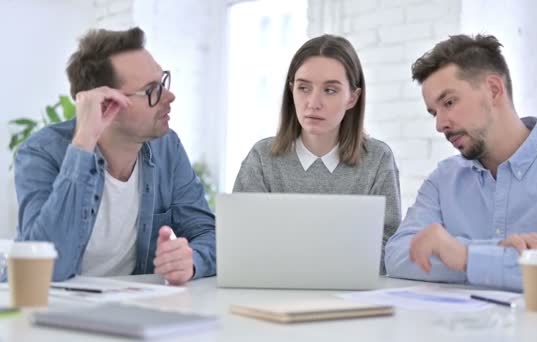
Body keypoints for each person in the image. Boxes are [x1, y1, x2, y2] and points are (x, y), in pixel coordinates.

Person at [385, 34, 537, 295]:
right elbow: (399, 255)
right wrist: (505, 254)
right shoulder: (443, 180)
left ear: (493, 90)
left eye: (449, 102)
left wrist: (467, 256)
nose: (440, 124)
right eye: (434, 112)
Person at [13, 27, 216, 285]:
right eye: (152, 90)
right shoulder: (42, 153)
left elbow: (209, 234)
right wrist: (84, 143)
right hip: (48, 311)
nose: (170, 96)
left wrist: (191, 260)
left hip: (129, 310)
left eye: (163, 82)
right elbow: (44, 271)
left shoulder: (167, 147)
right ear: (107, 103)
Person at [233, 35, 401, 273]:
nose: (313, 103)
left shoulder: (377, 158)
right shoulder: (261, 157)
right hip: (273, 293)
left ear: (352, 98)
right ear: (292, 91)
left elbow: (389, 247)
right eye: (303, 88)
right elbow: (241, 243)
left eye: (330, 90)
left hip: (351, 296)